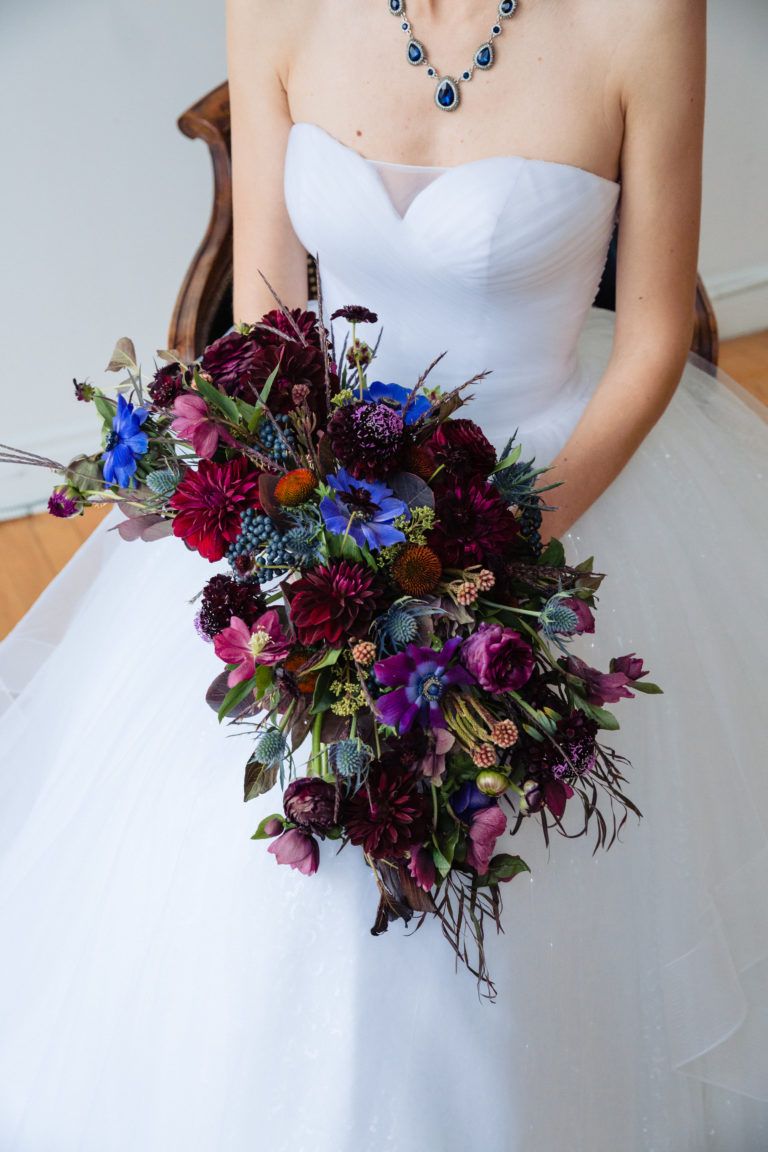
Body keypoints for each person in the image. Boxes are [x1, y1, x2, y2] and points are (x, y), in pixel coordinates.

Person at [1, 1, 766, 1148]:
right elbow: (264, 306)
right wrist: (299, 519)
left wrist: (501, 547)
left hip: (552, 487)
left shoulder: (647, 16)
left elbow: (653, 334)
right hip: (325, 497)